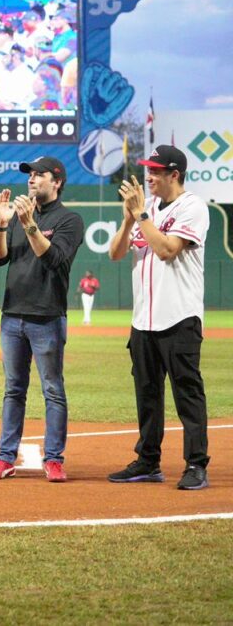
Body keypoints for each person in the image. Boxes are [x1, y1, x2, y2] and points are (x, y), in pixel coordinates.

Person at [107, 145, 211, 490]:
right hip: (143, 320)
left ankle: (196, 464)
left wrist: (140, 215)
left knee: (187, 393)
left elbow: (167, 250)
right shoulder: (145, 209)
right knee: (147, 393)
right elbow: (115, 254)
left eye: (155, 171)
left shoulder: (193, 207)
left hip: (179, 317)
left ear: (174, 174)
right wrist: (128, 218)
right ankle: (148, 461)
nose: (148, 176)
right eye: (148, 170)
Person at [0, 156, 84, 483]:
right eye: (30, 174)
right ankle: (5, 457)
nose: (31, 179)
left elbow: (54, 258)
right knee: (13, 389)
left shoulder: (70, 220)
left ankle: (54, 459)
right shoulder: (18, 216)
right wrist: (2, 224)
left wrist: (29, 224)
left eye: (40, 174)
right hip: (12, 315)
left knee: (52, 389)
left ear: (57, 182)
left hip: (47, 316)